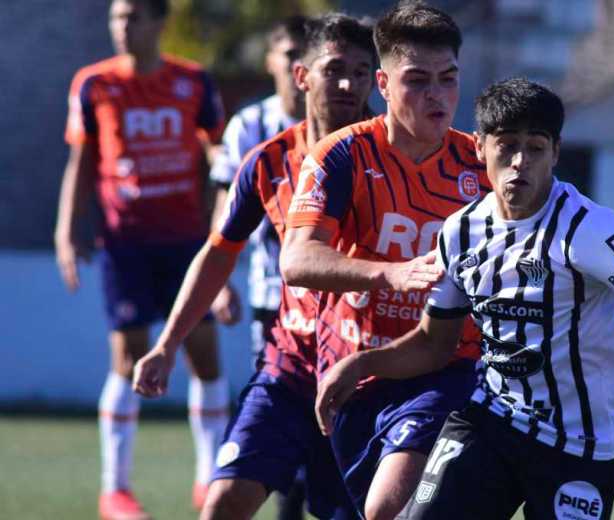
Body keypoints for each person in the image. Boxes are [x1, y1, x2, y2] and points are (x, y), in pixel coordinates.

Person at [313, 77, 614, 519]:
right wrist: (361, 364)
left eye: (536, 148)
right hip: (494, 418)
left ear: (555, 153)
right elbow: (434, 344)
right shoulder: (460, 232)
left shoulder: (589, 231)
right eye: (506, 146)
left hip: (582, 441)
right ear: (479, 147)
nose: (520, 161)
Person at [132, 13, 376, 520]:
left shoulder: (393, 157)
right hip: (289, 364)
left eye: (360, 71)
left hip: (365, 375)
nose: (348, 84)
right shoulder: (269, 159)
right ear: (301, 75)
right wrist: (167, 344)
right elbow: (220, 249)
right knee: (224, 501)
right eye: (334, 70)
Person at [279, 3, 490, 518]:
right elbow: (297, 258)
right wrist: (390, 274)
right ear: (383, 84)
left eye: (447, 79)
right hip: (355, 373)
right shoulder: (342, 155)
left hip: (449, 369)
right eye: (417, 80)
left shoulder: (481, 164)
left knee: (389, 509)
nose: (436, 95)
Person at [55, 0, 226, 517]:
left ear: (158, 22)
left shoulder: (193, 81)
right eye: (116, 17)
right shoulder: (93, 83)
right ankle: (115, 489)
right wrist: (66, 231)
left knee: (204, 355)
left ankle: (209, 479)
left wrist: (225, 214)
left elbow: (218, 150)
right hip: (124, 242)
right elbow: (82, 159)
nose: (121, 27)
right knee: (129, 359)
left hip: (186, 240)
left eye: (132, 16)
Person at [206, 16, 311, 519]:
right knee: (278, 410)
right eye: (288, 53)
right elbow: (225, 211)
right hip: (272, 299)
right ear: (271, 61)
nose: (297, 64)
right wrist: (221, 281)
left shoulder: (347, 125)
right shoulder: (250, 125)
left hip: (339, 307)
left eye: (305, 54)